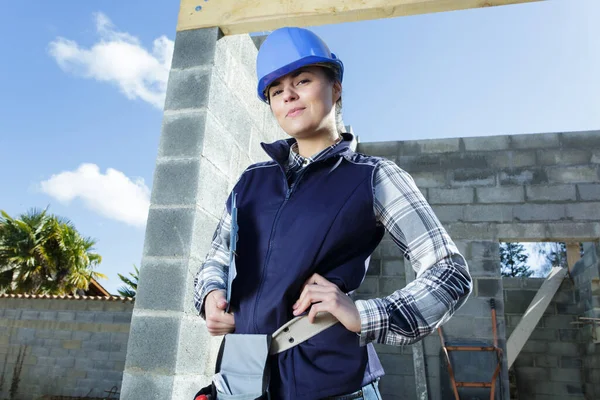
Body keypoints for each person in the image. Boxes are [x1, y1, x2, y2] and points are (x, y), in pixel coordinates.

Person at [194, 27, 473, 400]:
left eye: (302, 80)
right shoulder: (251, 181)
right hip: (242, 380)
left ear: (336, 88)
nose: (288, 94)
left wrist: (366, 314)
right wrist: (210, 294)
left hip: (332, 386)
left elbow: (450, 272)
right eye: (276, 91)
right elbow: (217, 257)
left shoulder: (375, 176)